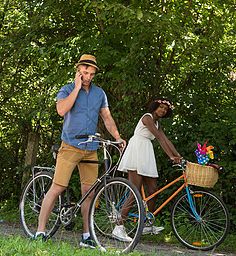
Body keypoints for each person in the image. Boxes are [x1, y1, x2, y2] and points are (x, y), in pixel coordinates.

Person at [34, 54, 126, 248]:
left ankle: (87, 235)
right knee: (58, 187)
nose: (88, 77)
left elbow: (107, 118)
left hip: (91, 148)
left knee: (89, 193)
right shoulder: (66, 89)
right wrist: (76, 88)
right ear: (78, 71)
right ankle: (40, 231)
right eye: (85, 73)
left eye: (91, 74)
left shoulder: (99, 93)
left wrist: (117, 137)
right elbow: (61, 110)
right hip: (70, 146)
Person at [115, 98, 181, 240]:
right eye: (161, 107)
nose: (162, 110)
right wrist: (170, 156)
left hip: (146, 152)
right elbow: (158, 138)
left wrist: (178, 155)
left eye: (165, 109)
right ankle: (118, 227)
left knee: (153, 190)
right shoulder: (147, 117)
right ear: (155, 107)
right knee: (135, 192)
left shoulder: (157, 123)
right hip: (137, 150)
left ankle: (147, 224)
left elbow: (166, 139)